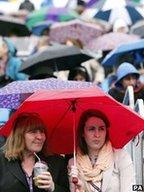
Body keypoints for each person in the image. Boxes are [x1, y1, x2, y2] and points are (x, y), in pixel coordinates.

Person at [68, 109, 135, 192]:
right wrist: (80, 189)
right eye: (91, 129)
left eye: (101, 129)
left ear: (106, 132)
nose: (97, 135)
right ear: (82, 133)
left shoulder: (121, 157)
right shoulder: (73, 163)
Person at [0, 112, 69, 192]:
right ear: (19, 135)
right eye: (33, 132)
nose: (40, 137)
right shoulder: (2, 161)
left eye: (42, 132)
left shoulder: (57, 162)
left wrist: (53, 188)